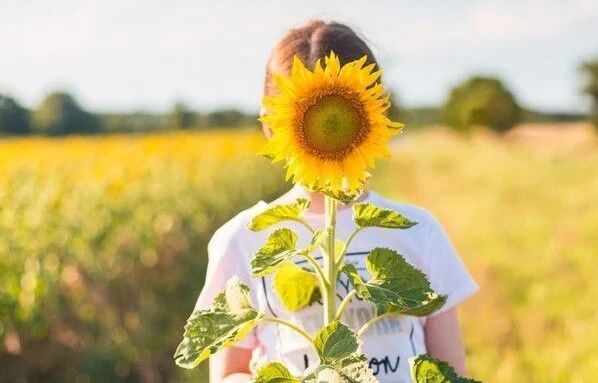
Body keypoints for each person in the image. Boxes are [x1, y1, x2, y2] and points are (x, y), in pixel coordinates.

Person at [196, 20, 479, 383]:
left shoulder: (420, 233)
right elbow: (229, 374)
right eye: (308, 115)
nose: (329, 125)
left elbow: (449, 372)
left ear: (376, 112)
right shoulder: (243, 240)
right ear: (271, 124)